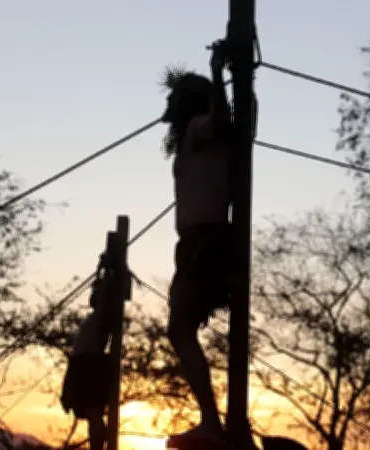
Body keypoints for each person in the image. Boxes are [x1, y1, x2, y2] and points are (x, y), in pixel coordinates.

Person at [160, 42, 236, 446]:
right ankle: (211, 422)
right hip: (198, 244)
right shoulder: (196, 136)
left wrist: (217, 72)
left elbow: (220, 118)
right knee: (180, 329)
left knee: (179, 329)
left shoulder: (200, 128)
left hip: (204, 242)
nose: (168, 104)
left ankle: (211, 423)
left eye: (173, 98)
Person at [60, 270, 113, 450]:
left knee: (94, 413)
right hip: (81, 365)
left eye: (96, 291)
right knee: (92, 415)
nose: (93, 294)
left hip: (88, 365)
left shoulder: (103, 313)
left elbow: (106, 294)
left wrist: (109, 270)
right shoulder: (96, 315)